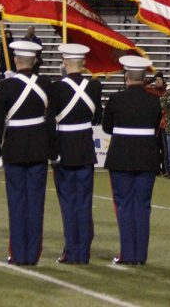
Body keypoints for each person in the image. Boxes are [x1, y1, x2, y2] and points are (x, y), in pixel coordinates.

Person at [0, 40, 52, 265]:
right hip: (38, 148)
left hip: (14, 148)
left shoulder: (6, 86)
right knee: (36, 204)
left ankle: (17, 253)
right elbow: (51, 120)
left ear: (16, 60)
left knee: (16, 204)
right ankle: (32, 254)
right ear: (35, 61)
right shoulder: (45, 83)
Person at [102, 54, 160, 266]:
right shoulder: (154, 101)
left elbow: (107, 127)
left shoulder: (116, 100)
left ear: (126, 76)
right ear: (144, 77)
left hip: (121, 157)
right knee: (143, 207)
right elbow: (154, 127)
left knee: (125, 206)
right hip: (147, 158)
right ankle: (140, 255)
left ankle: (127, 254)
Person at [47, 43, 102, 265]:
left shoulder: (56, 88)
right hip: (86, 149)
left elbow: (49, 121)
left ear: (64, 63)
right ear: (84, 63)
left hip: (64, 150)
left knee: (68, 204)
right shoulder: (95, 86)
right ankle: (84, 252)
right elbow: (97, 118)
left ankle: (71, 251)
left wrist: (53, 152)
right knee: (84, 203)